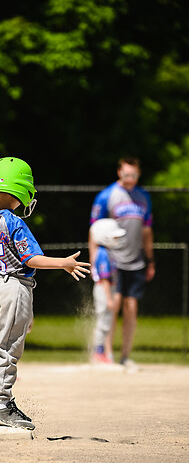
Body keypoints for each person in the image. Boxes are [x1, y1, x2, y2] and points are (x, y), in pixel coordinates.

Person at [0, 157, 90, 430]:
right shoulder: (14, 222)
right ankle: (3, 406)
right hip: (14, 286)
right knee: (8, 349)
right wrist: (64, 263)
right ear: (21, 190)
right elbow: (31, 260)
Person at [89, 156, 155, 367]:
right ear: (119, 172)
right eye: (126, 174)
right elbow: (94, 230)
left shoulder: (143, 197)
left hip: (135, 261)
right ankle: (106, 354)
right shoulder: (107, 196)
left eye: (133, 175)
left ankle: (125, 356)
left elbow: (146, 231)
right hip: (113, 260)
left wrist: (150, 260)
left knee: (131, 307)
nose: (130, 178)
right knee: (112, 306)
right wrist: (94, 261)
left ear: (139, 174)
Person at [89, 219, 126, 364]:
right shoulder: (103, 253)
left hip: (107, 289)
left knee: (106, 322)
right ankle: (98, 353)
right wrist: (110, 299)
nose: (117, 240)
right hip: (104, 289)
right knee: (103, 322)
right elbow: (104, 279)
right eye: (114, 237)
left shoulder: (106, 252)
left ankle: (100, 351)